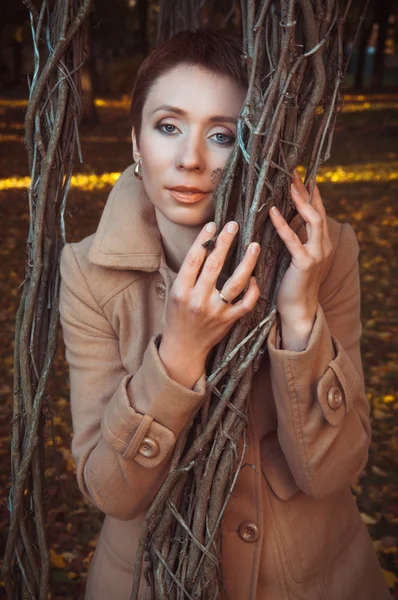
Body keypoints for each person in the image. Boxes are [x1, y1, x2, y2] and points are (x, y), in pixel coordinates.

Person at [59, 29, 390, 600]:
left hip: (312, 578)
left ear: (255, 147)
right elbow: (112, 491)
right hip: (149, 579)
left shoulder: (326, 253)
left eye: (222, 135)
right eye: (168, 127)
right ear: (137, 143)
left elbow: (333, 473)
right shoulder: (89, 271)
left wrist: (299, 316)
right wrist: (180, 354)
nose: (190, 159)